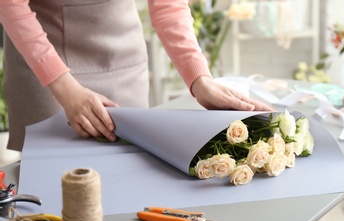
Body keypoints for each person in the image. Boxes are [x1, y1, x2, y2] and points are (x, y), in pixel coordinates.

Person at [0, 0, 273, 152]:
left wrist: (199, 79)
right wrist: (63, 85)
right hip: (42, 61)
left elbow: (169, 6)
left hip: (121, 58)